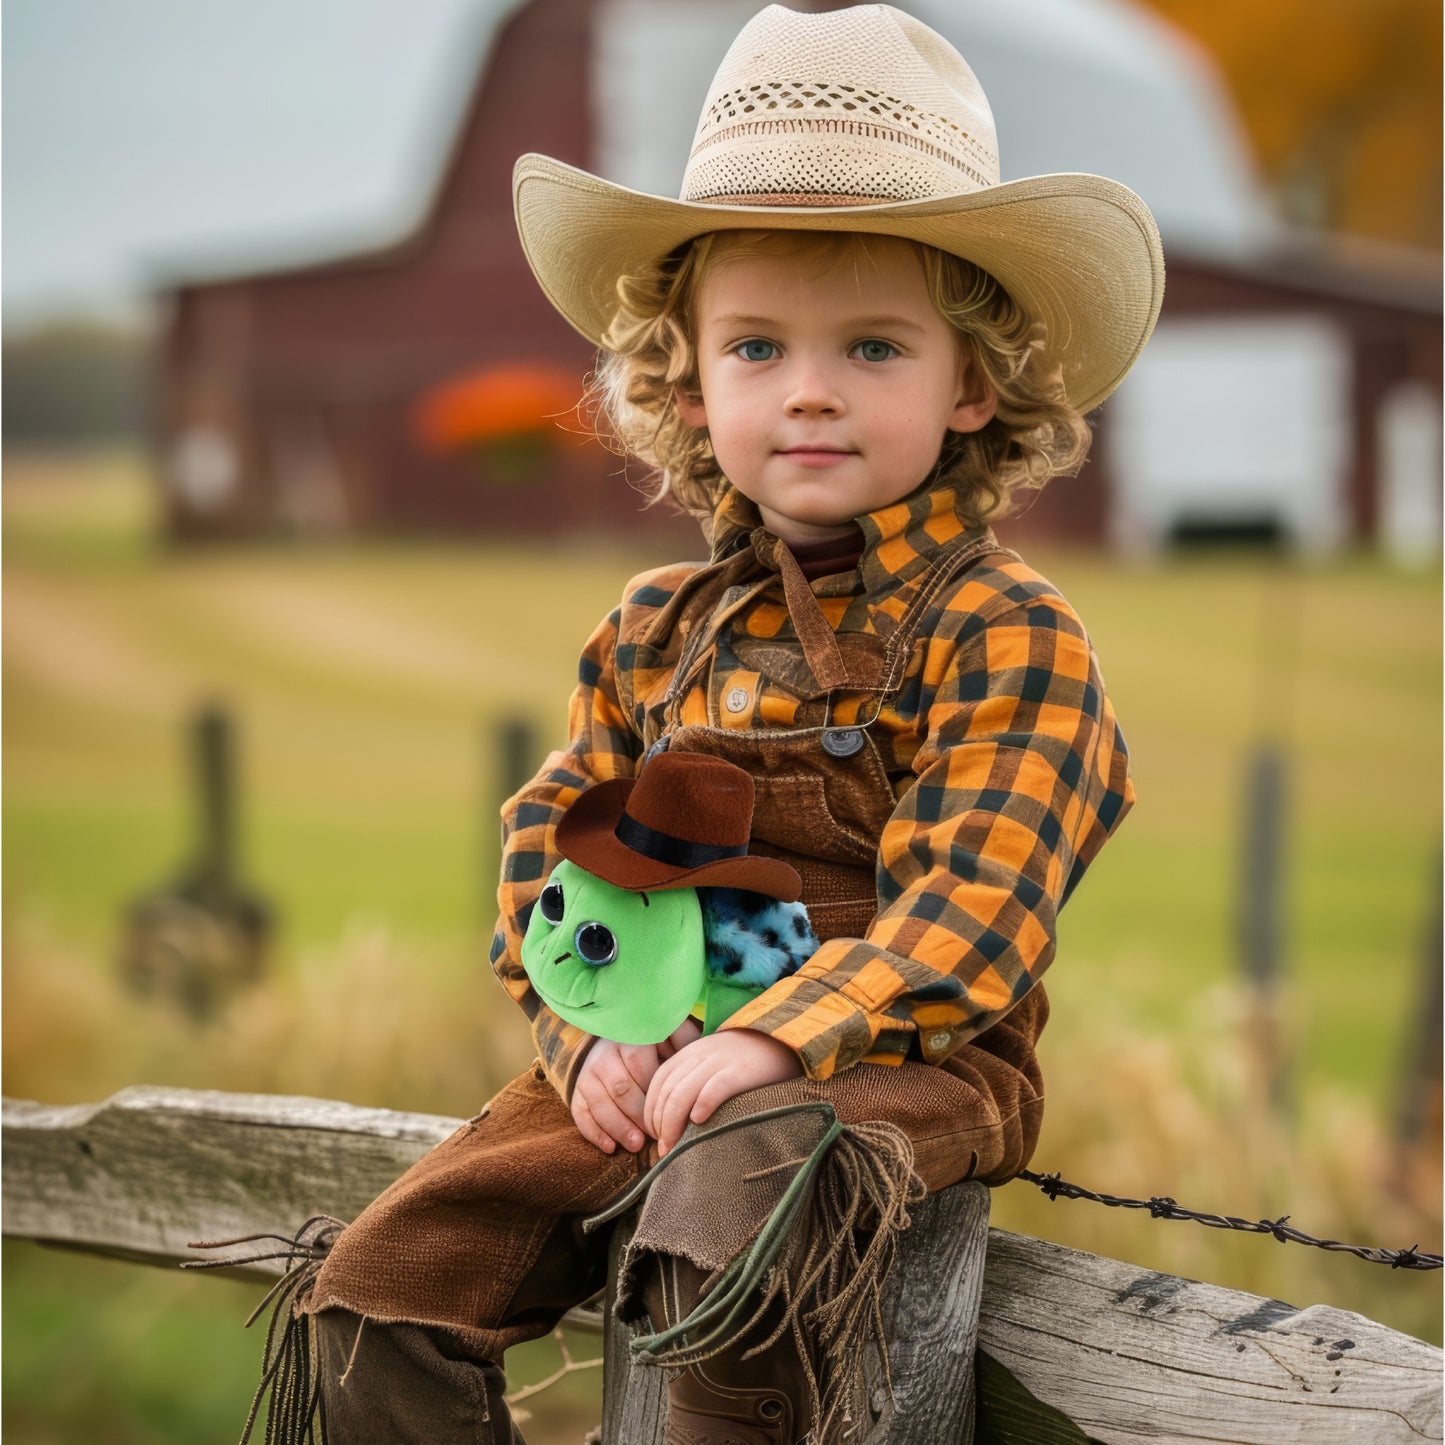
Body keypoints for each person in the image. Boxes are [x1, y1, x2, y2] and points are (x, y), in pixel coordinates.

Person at [236, 5, 1162, 1442]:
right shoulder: (655, 629)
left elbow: (971, 914)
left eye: (869, 346)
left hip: (900, 1060)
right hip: (657, 1051)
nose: (805, 387)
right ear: (684, 379)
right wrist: (582, 1035)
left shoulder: (1003, 630)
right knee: (384, 1287)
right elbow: (557, 844)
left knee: (729, 1211)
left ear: (970, 381)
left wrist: (779, 1039)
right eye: (753, 348)